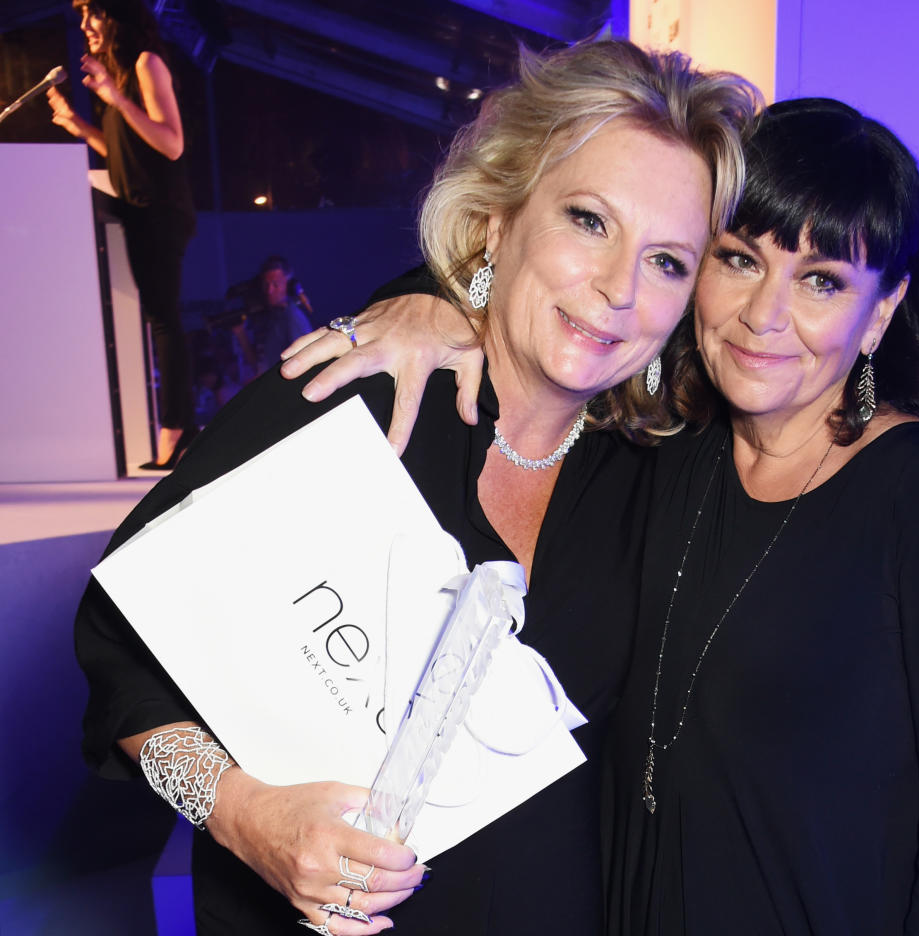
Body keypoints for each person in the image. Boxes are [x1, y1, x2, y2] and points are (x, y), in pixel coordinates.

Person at [282, 97, 919, 933]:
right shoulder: (665, 449)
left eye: (822, 281)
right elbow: (537, 291)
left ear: (882, 313)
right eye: (740, 260)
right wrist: (438, 305)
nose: (766, 316)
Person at [74, 39, 757, 936]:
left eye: (669, 261)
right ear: (499, 220)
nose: (619, 288)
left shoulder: (653, 469)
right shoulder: (358, 395)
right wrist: (240, 815)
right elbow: (120, 642)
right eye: (589, 220)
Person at [48, 0, 197, 469]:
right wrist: (81, 126)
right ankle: (178, 427)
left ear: (117, 16)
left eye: (93, 13)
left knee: (164, 319)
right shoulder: (119, 78)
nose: (85, 25)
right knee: (160, 317)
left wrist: (116, 97)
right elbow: (122, 152)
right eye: (81, 16)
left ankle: (177, 427)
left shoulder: (145, 63)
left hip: (160, 211)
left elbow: (171, 143)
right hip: (138, 208)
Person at [227, 255, 314, 382]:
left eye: (275, 284)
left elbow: (306, 362)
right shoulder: (271, 318)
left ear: (287, 285)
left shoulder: (292, 317)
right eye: (266, 285)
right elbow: (260, 364)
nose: (269, 290)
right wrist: (240, 333)